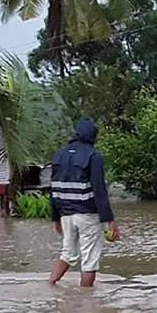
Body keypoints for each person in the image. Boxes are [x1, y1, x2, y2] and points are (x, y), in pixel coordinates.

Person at [48, 118, 120, 287]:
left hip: (66, 214)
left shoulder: (59, 155)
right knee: (89, 260)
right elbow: (99, 190)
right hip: (87, 214)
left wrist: (55, 218)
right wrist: (109, 221)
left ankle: (50, 286)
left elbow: (53, 188)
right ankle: (86, 301)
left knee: (68, 253)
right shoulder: (94, 157)